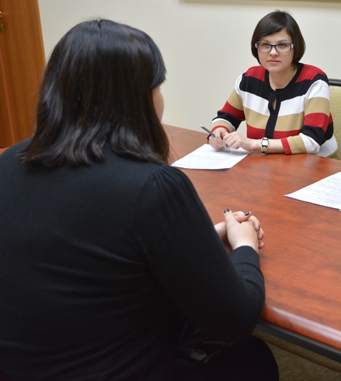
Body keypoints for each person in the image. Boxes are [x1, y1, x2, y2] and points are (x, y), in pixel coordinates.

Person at [0, 19, 278, 381]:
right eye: (156, 88)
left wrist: (201, 237)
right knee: (254, 359)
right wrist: (245, 247)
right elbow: (236, 320)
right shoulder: (153, 186)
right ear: (138, 100)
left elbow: (92, 247)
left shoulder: (10, 161)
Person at [208, 10, 338, 156]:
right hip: (265, 164)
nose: (273, 52)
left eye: (282, 45)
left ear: (295, 48)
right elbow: (225, 117)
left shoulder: (314, 81)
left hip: (315, 163)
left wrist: (255, 144)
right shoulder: (249, 79)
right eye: (265, 44)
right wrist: (219, 131)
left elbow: (311, 142)